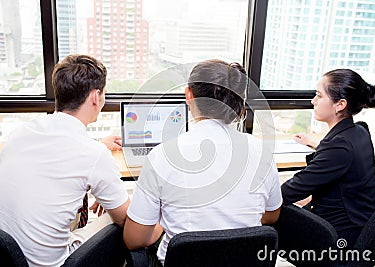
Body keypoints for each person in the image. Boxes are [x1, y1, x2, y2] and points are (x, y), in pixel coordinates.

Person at [123, 59, 282, 265]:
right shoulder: (263, 152)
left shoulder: (162, 156)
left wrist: (164, 220)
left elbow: (134, 240)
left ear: (189, 95)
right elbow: (271, 216)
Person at [0, 54, 130, 267]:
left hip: (11, 257)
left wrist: (98, 147)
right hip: (54, 264)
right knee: (117, 221)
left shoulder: (21, 133)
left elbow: (54, 164)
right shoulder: (93, 154)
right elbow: (126, 219)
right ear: (96, 97)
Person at [281, 68, 375, 249]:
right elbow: (341, 158)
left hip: (339, 236)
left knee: (273, 215)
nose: (313, 101)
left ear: (340, 104)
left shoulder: (339, 147)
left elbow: (294, 189)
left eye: (319, 96)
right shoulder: (359, 131)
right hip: (359, 222)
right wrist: (314, 144)